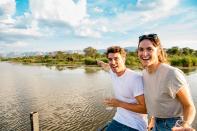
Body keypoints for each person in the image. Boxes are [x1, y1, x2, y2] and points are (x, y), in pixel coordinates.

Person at [137, 33, 196, 131]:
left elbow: (189, 106)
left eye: (149, 49)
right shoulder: (144, 73)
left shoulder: (172, 74)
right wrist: (152, 120)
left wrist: (185, 125)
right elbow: (156, 102)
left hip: (173, 124)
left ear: (158, 51)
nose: (144, 53)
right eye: (141, 49)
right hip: (156, 122)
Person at [98, 46, 147, 131]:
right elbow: (105, 66)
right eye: (110, 59)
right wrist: (99, 62)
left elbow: (145, 109)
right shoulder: (113, 72)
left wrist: (119, 104)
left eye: (116, 58)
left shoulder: (135, 78)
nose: (113, 62)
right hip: (118, 119)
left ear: (124, 59)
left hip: (134, 125)